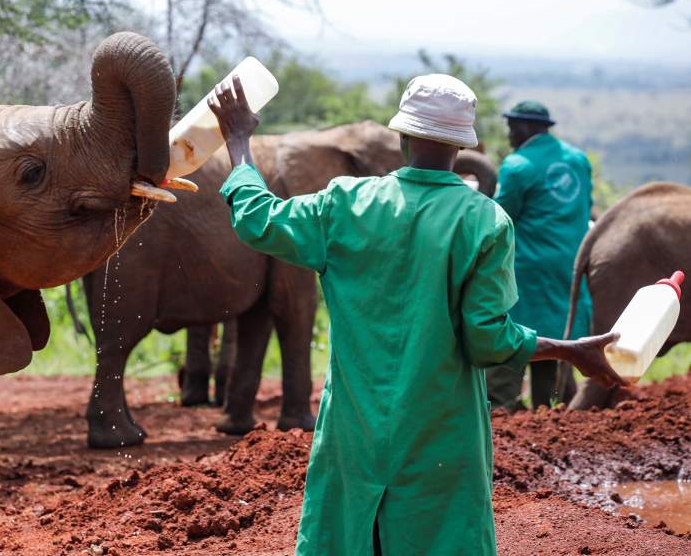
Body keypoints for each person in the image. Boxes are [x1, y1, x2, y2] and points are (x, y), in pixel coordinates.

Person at [207, 74, 625, 555]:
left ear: (402, 137)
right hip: (442, 439)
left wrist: (239, 143)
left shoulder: (345, 204)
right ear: (462, 146)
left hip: (354, 431)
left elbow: (258, 220)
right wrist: (568, 351)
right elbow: (487, 341)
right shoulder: (484, 221)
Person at [485, 101, 594, 411]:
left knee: (511, 338)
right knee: (555, 339)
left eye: (511, 128)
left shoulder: (518, 165)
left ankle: (501, 408)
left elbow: (498, 218)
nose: (508, 135)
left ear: (524, 127)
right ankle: (551, 412)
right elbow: (585, 206)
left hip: (527, 271)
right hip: (569, 266)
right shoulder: (578, 160)